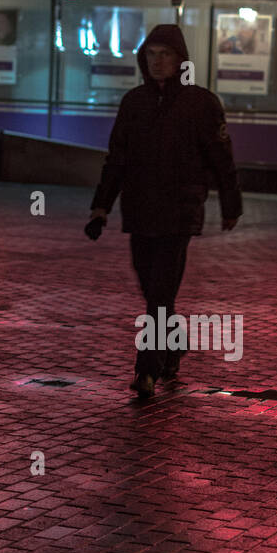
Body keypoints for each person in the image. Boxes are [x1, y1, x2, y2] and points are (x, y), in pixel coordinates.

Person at [85, 24, 242, 399]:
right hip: (139, 211)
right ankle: (174, 344)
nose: (157, 62)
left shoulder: (201, 103)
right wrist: (101, 206)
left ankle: (146, 369)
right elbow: (117, 159)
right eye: (151, 54)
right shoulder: (134, 102)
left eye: (165, 54)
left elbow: (222, 158)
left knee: (158, 294)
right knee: (152, 290)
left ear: (179, 59)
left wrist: (230, 203)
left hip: (179, 212)